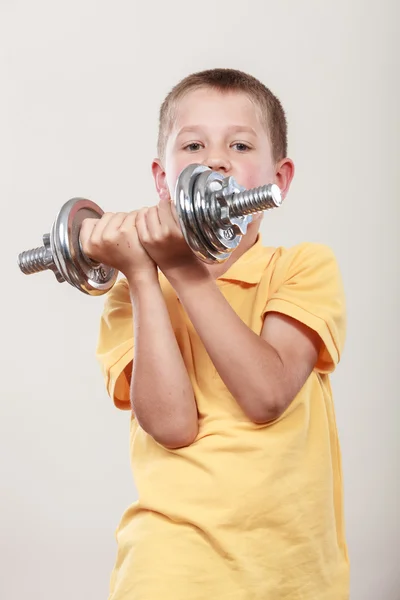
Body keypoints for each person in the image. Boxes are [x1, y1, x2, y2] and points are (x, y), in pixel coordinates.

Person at [80, 68, 349, 599]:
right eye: (194, 144)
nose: (216, 159)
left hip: (292, 574)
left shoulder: (302, 268)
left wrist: (181, 267)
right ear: (163, 179)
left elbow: (267, 394)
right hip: (169, 568)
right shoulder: (134, 290)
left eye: (241, 144)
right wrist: (140, 273)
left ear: (280, 178)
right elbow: (172, 425)